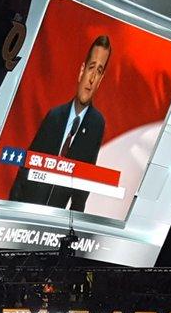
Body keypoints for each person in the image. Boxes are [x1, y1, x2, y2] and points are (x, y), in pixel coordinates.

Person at [7, 35, 111, 210]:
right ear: (82, 71)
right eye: (91, 68)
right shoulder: (54, 116)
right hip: (28, 207)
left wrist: (71, 227)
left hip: (55, 219)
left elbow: (82, 187)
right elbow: (26, 168)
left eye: (99, 71)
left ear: (101, 80)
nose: (92, 79)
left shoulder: (96, 125)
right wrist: (12, 211)